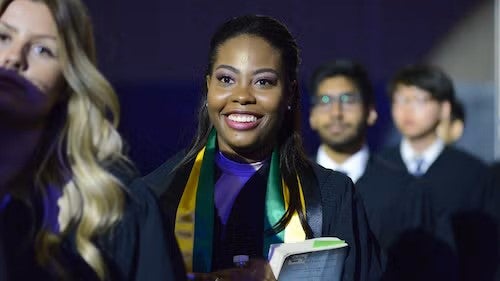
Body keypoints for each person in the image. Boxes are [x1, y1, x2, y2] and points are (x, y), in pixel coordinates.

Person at [131, 15, 379, 281]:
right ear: (208, 87)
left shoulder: (331, 197)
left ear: (290, 94)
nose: (242, 96)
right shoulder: (157, 195)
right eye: (226, 79)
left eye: (263, 82)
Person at [0, 0, 184, 280]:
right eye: (2, 37)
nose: (14, 57)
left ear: (68, 80)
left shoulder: (118, 207)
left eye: (42, 50)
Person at [308, 59, 436, 276]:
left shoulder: (405, 189)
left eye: (348, 100)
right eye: (325, 100)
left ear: (371, 112)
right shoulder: (289, 182)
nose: (336, 112)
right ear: (312, 116)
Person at [380, 64, 499, 280]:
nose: (407, 110)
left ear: (444, 109)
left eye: (418, 100)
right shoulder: (376, 169)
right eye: (400, 100)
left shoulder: (474, 174)